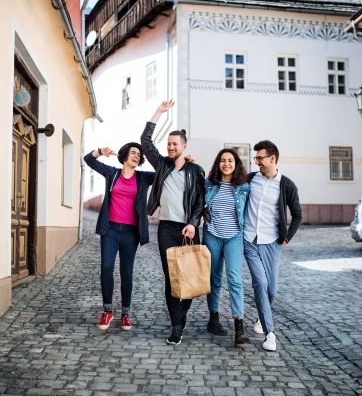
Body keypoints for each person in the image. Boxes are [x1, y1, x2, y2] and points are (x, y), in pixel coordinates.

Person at [141, 100, 206, 346]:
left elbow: (201, 202)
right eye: (168, 144)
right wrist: (159, 113)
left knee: (188, 277)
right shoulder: (162, 165)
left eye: (174, 144)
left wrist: (193, 223)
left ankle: (182, 314)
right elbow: (146, 141)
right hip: (166, 228)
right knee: (171, 278)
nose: (170, 147)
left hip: (188, 229)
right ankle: (176, 326)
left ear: (184, 146)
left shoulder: (196, 171)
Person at [83, 143, 154, 332]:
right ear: (124, 155)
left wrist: (183, 161)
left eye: (139, 154)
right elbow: (88, 160)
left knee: (126, 273)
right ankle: (107, 310)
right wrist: (100, 152)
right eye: (133, 153)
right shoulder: (112, 173)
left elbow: (164, 172)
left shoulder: (143, 177)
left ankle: (125, 314)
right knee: (106, 268)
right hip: (110, 229)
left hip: (131, 232)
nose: (136, 156)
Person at [243, 140, 302, 351]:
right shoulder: (250, 179)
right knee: (260, 283)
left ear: (272, 158)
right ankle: (270, 333)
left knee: (272, 289)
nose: (256, 161)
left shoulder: (286, 185)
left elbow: (297, 215)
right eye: (256, 158)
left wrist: (286, 238)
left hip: (272, 242)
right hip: (250, 239)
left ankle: (261, 317)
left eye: (260, 158)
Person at [203, 149, 250, 345]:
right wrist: (203, 210)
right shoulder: (209, 184)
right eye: (223, 161)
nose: (226, 164)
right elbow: (197, 200)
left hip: (234, 236)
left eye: (230, 160)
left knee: (234, 279)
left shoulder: (244, 186)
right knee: (214, 278)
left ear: (236, 163)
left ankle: (239, 325)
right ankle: (213, 318)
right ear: (218, 164)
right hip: (212, 234)